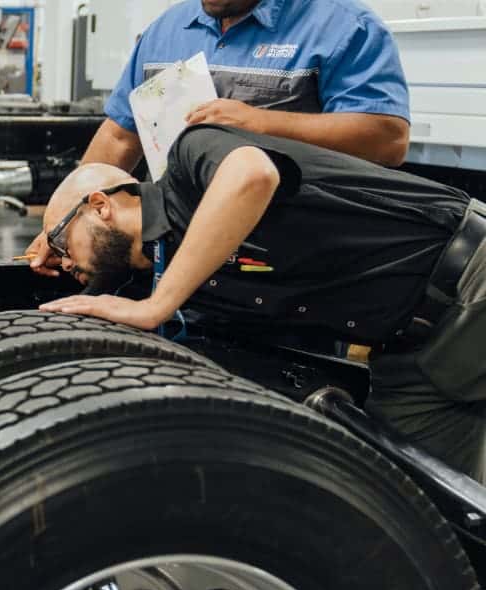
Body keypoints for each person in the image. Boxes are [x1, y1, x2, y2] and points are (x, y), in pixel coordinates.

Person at [29, 123, 486, 479]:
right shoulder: (176, 276)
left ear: (100, 206)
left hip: (471, 277)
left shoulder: (190, 161)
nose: (65, 261)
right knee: (412, 503)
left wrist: (155, 307)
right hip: (407, 355)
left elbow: (253, 174)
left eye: (62, 242)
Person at [84, 0, 411, 170]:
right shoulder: (166, 30)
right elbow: (119, 138)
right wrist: (65, 220)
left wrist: (261, 123)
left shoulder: (345, 27)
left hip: (289, 255)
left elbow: (388, 140)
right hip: (175, 242)